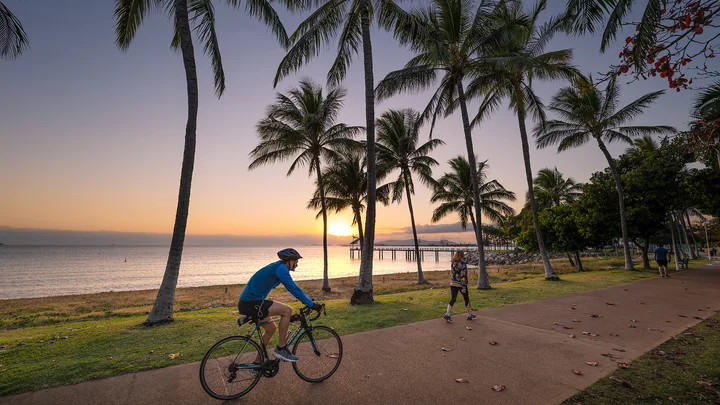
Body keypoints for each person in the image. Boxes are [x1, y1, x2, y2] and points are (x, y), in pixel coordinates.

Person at [238, 248, 322, 362]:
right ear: (289, 261)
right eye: (296, 262)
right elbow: (293, 289)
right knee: (287, 310)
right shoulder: (281, 269)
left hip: (249, 303)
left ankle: (257, 362)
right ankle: (281, 348)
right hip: (251, 303)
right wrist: (311, 304)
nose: (297, 265)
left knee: (271, 329)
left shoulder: (277, 266)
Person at [443, 250, 477, 323]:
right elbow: (463, 276)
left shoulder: (453, 263)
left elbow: (453, 272)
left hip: (453, 284)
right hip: (461, 284)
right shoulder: (463, 264)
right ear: (462, 256)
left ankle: (447, 314)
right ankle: (469, 315)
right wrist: (464, 286)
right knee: (466, 299)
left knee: (453, 299)